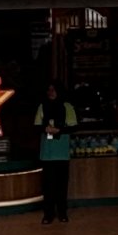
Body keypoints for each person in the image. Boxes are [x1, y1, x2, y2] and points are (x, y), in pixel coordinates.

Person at [34, 89, 80, 224]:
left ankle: (62, 213)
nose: (51, 92)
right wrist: (45, 129)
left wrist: (59, 130)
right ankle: (48, 214)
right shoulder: (42, 106)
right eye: (48, 90)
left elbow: (74, 127)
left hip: (62, 152)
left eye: (54, 90)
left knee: (61, 185)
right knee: (47, 185)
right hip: (47, 153)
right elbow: (36, 126)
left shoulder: (67, 107)